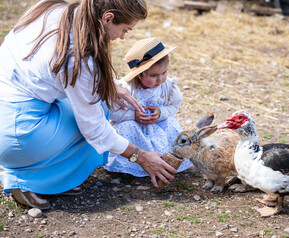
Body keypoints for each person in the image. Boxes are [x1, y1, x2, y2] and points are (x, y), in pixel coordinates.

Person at [0, 0, 177, 210]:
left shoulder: (54, 9)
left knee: (98, 104)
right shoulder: (80, 57)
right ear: (108, 18)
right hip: (18, 133)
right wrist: (141, 156)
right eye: (125, 30)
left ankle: (53, 175)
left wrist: (108, 85)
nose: (122, 37)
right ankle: (29, 179)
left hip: (8, 111)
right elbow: (95, 130)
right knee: (99, 115)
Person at [104, 37, 193, 176]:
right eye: (154, 75)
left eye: (164, 73)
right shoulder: (125, 89)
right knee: (126, 128)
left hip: (158, 126)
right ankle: (131, 165)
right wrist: (132, 115)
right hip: (136, 129)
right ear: (139, 74)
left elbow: (175, 104)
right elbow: (112, 112)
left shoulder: (168, 86)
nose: (160, 79)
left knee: (171, 122)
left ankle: (167, 160)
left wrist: (161, 112)